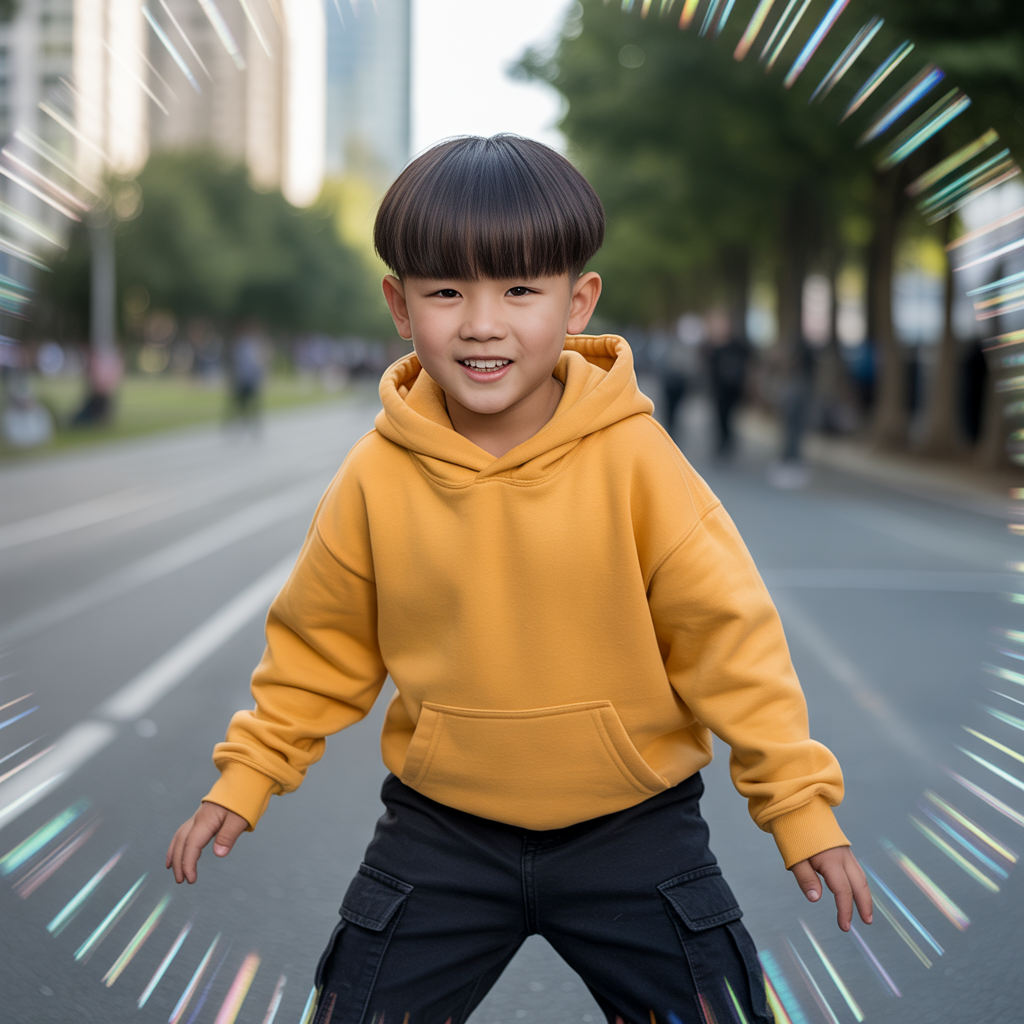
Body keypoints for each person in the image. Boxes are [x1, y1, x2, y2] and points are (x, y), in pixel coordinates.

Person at [167, 135, 871, 1024]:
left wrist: (799, 806)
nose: (482, 323)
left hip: (636, 826)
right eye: (446, 292)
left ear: (578, 302)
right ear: (399, 305)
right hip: (442, 830)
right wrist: (247, 776)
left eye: (520, 291)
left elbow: (730, 641)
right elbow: (319, 645)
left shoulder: (639, 461)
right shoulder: (374, 475)